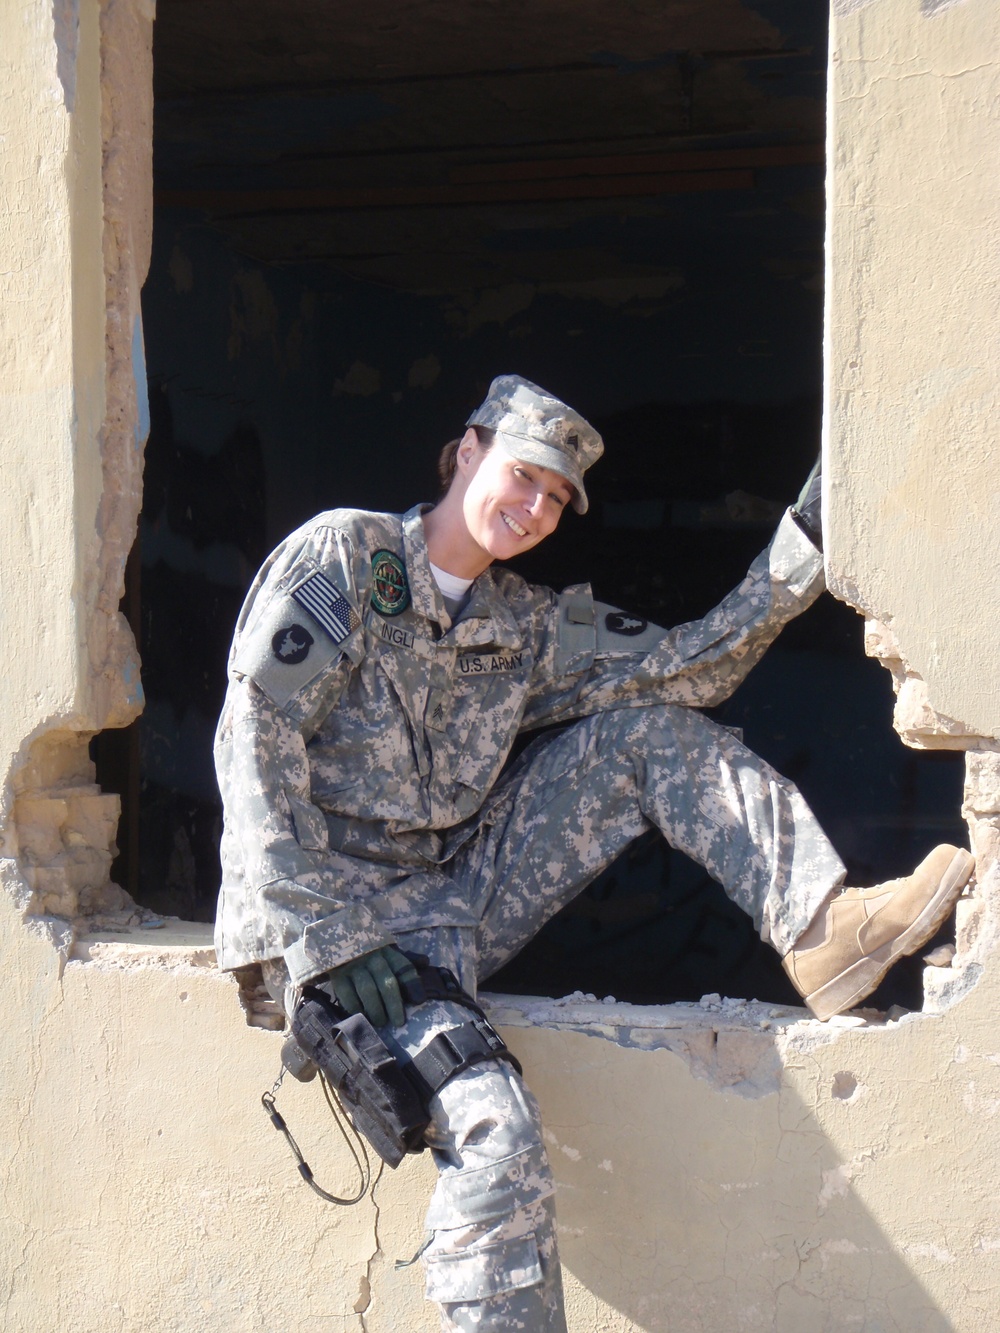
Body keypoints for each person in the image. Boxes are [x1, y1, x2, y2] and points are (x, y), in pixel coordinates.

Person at [214, 374, 973, 1332]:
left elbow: (691, 665)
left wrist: (808, 542)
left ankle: (823, 931)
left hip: (448, 908)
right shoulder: (345, 555)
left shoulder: (522, 624)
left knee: (646, 731)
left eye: (555, 499)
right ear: (467, 450)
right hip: (336, 932)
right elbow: (254, 736)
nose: (533, 509)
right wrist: (323, 937)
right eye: (523, 476)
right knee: (494, 1130)